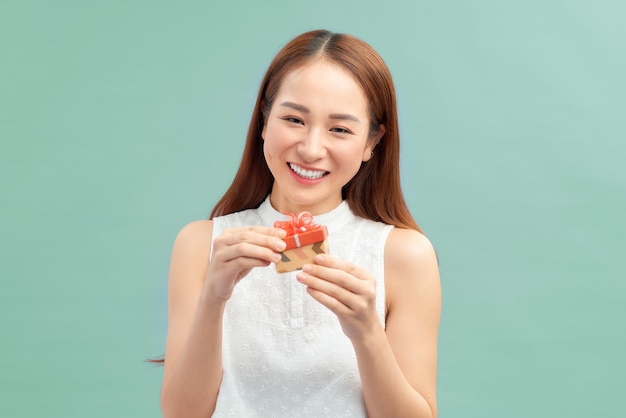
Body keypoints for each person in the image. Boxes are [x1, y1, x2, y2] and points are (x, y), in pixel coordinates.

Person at [158, 29, 441, 418]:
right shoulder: (201, 244)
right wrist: (214, 297)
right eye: (293, 119)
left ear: (371, 142)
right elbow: (181, 414)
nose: (310, 149)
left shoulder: (405, 255)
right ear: (263, 120)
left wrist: (367, 334)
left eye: (340, 129)